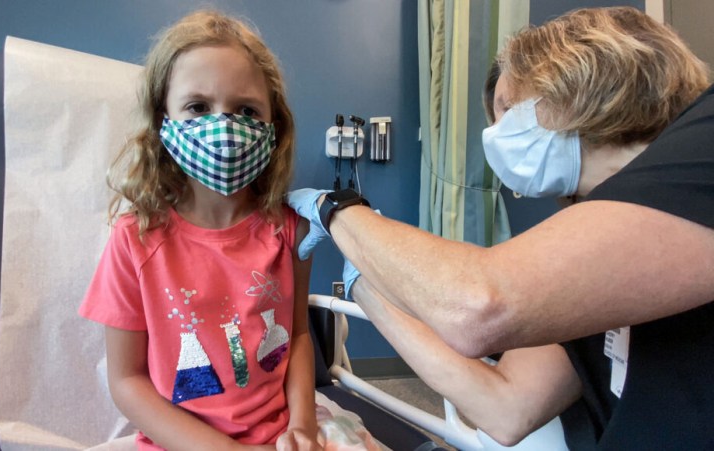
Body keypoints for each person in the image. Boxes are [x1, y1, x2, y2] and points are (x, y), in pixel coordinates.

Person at [288, 7, 714, 450]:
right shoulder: (598, 236)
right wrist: (363, 283)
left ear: (573, 79)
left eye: (507, 112)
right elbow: (505, 407)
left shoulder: (704, 138)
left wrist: (336, 209)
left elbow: (479, 308)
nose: (496, 137)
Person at [79, 11, 322, 450]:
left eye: (246, 110)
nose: (223, 128)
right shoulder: (135, 241)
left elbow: (299, 335)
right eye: (197, 107)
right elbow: (126, 380)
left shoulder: (290, 230)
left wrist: (302, 426)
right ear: (162, 119)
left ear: (273, 127)